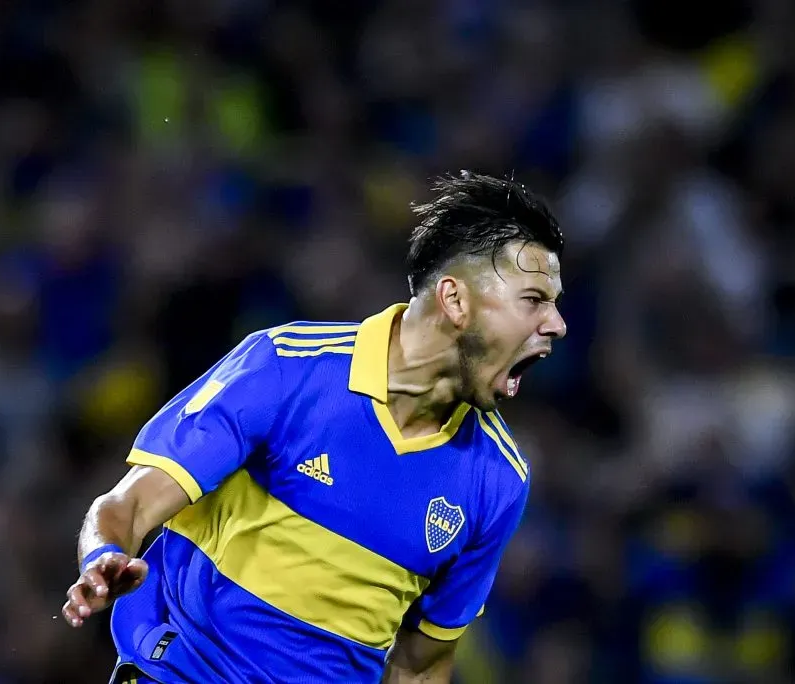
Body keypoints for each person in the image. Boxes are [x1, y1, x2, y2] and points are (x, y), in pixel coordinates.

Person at [61, 171, 567, 684]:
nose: (557, 324)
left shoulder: (499, 477)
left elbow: (420, 665)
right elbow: (129, 505)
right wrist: (104, 557)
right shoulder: (284, 368)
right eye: (533, 300)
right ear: (455, 301)